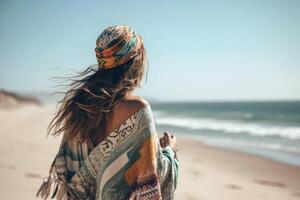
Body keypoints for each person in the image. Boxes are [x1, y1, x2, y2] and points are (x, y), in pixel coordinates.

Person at [36, 24, 179, 200]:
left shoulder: (80, 106)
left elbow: (71, 172)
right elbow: (149, 182)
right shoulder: (137, 110)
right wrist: (169, 152)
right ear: (136, 60)